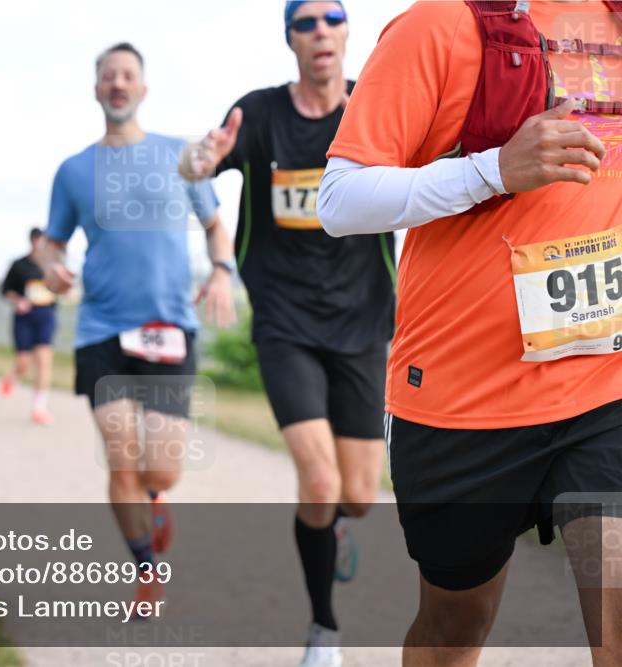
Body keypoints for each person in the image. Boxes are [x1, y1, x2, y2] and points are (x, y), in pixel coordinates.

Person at [317, 2, 621, 666]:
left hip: (602, 385)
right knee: (456, 623)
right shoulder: (438, 26)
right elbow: (339, 201)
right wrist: (492, 170)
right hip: (462, 398)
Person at [177, 3, 393, 664]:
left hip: (363, 323)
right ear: (290, 39)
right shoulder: (260, 114)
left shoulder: (375, 107)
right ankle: (323, 629)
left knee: (357, 496)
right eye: (305, 21)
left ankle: (331, 531)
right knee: (320, 483)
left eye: (332, 17)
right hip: (285, 323)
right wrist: (197, 160)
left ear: (347, 32)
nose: (320, 29)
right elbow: (195, 167)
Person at [40, 42, 237, 606]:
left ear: (143, 89)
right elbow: (52, 246)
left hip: (170, 327)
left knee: (162, 469)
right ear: (97, 88)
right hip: (100, 329)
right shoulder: (73, 170)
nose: (118, 83)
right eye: (108, 75)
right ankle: (145, 566)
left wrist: (221, 272)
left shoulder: (181, 157)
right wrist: (53, 268)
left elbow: (216, 226)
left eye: (128, 75)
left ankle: (156, 497)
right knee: (121, 454)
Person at [0, 227, 59, 425]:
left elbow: (63, 287)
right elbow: (5, 290)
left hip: (46, 315)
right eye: (38, 241)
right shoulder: (19, 265)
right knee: (24, 363)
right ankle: (11, 376)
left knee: (43, 361)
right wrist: (18, 301)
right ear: (32, 241)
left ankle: (39, 408)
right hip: (25, 318)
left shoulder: (54, 265)